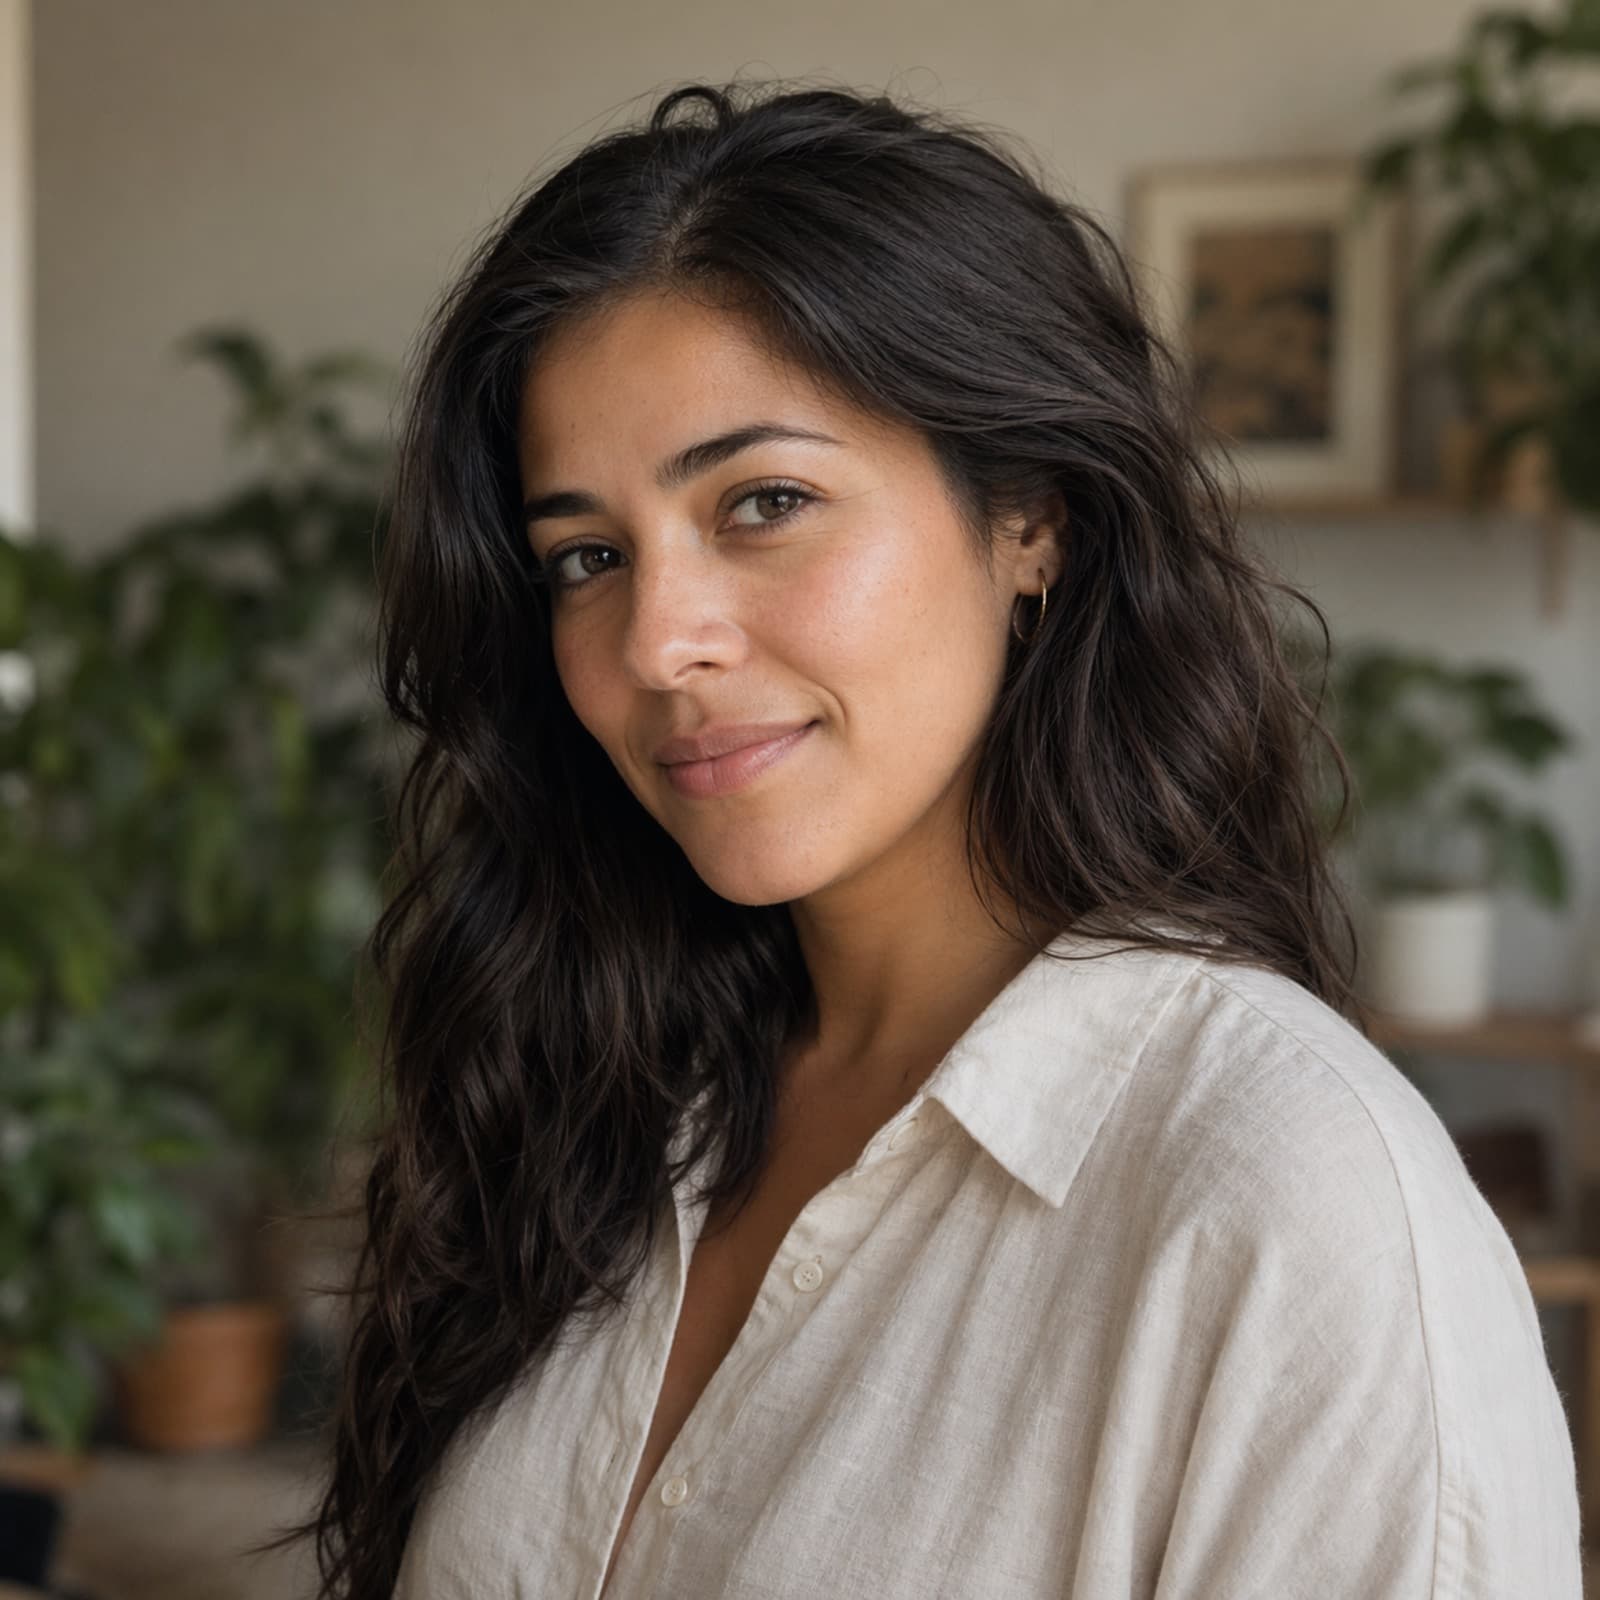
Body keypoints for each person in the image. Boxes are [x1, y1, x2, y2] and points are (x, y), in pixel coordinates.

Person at [286, 78, 1582, 1598]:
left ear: (1027, 518)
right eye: (584, 555)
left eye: (764, 501)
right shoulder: (599, 1095)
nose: (656, 640)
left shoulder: (1294, 1200)